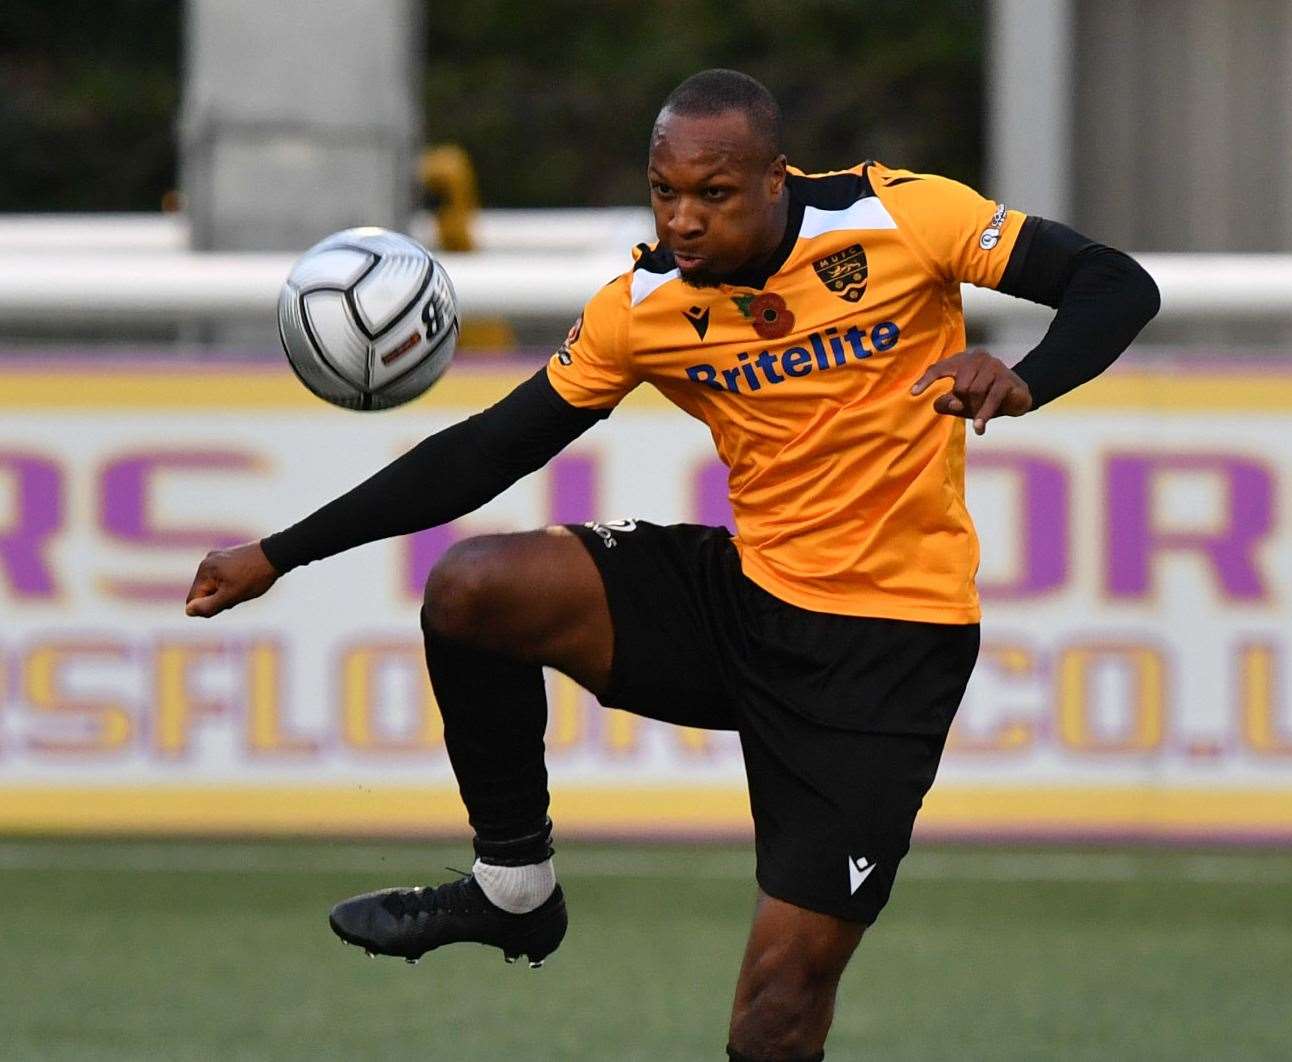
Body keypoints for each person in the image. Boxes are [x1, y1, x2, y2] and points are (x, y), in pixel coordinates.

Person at [185, 69, 1158, 1062]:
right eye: (664, 193)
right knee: (474, 589)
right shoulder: (642, 306)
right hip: (743, 602)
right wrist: (279, 552)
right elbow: (487, 451)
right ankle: (514, 888)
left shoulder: (902, 216)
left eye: (712, 194)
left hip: (884, 654)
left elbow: (1116, 283)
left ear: (775, 179)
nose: (682, 220)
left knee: (775, 1016)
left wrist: (1025, 378)